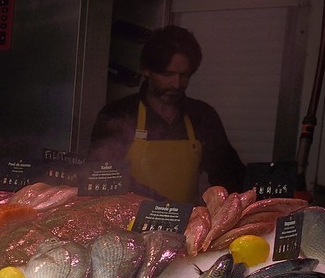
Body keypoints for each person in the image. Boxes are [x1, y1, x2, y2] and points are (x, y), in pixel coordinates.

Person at [88, 24, 244, 204]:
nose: (177, 84)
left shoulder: (202, 116)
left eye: (184, 75)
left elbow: (231, 178)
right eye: (167, 74)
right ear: (146, 69)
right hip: (127, 225)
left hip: (186, 225)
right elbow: (100, 181)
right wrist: (159, 203)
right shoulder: (118, 115)